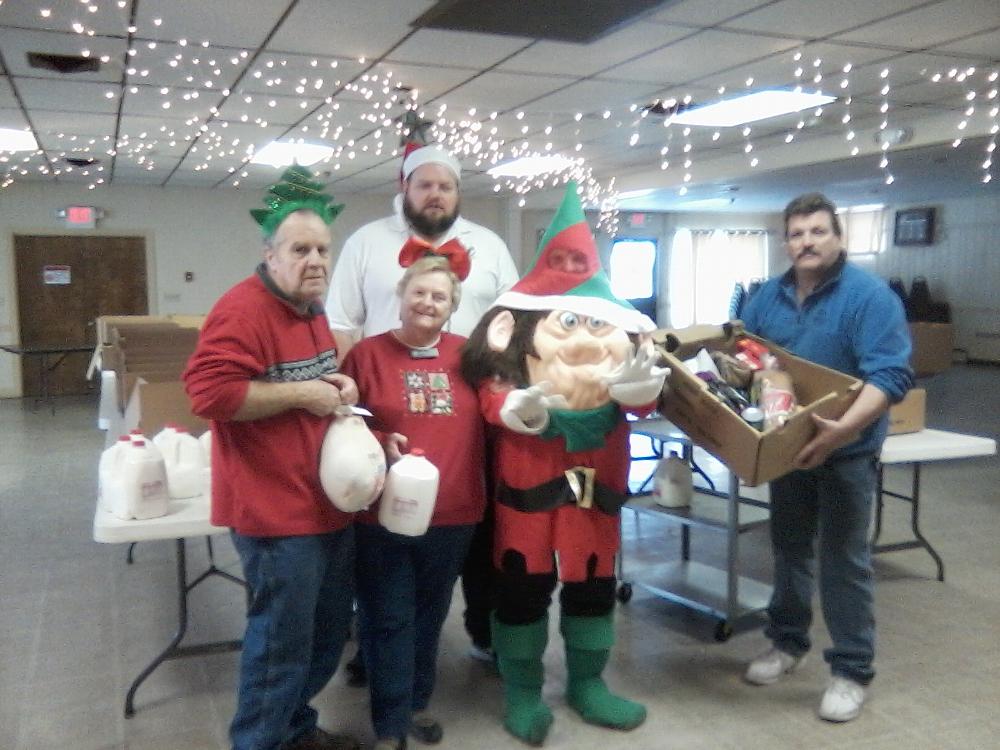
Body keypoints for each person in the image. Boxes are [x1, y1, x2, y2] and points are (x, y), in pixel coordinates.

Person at [460, 182, 667, 746]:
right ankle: (522, 692)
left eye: (595, 323)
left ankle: (587, 685)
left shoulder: (625, 351)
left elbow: (646, 397)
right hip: (526, 495)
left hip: (595, 499)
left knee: (593, 588)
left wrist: (644, 391)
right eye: (569, 324)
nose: (583, 338)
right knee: (522, 593)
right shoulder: (509, 344)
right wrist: (511, 407)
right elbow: (487, 393)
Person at [183, 166, 361, 750]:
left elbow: (303, 382)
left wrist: (334, 385)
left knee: (326, 634)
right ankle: (259, 740)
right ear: (270, 253)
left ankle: (294, 730)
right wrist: (302, 394)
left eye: (323, 249)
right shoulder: (244, 309)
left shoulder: (311, 311)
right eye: (300, 249)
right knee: (280, 647)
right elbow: (209, 394)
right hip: (275, 516)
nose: (316, 260)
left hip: (322, 507)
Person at [327, 143, 518, 664]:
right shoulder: (366, 243)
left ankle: (482, 634)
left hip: (469, 417)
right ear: (404, 189)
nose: (436, 195)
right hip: (391, 414)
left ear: (458, 193)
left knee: (472, 535)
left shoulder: (491, 247)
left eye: (446, 186)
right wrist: (352, 411)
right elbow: (343, 327)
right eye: (425, 185)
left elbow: (512, 329)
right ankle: (376, 653)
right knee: (384, 543)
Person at [740, 192, 913, 722]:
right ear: (786, 241)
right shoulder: (766, 297)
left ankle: (851, 670)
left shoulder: (869, 297)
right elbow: (748, 360)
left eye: (817, 231)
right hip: (789, 451)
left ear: (838, 237)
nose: (807, 242)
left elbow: (890, 375)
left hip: (848, 453)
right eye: (796, 233)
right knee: (789, 549)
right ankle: (788, 643)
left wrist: (842, 432)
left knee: (844, 560)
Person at [339, 254, 486, 750]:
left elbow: (502, 409)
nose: (428, 302)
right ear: (401, 296)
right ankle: (390, 725)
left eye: (439, 296)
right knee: (388, 615)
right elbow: (342, 422)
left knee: (429, 614)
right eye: (419, 292)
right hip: (384, 513)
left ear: (452, 306)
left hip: (454, 513)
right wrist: (379, 436)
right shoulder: (366, 356)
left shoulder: (470, 357)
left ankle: (415, 702)